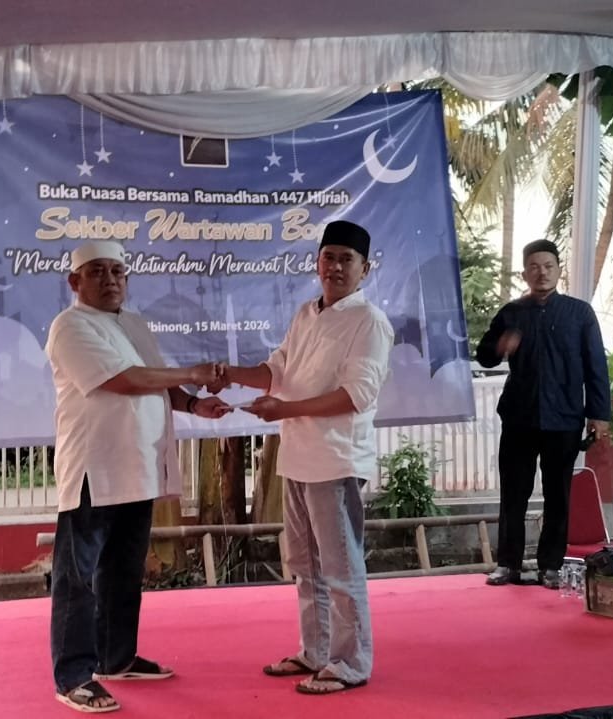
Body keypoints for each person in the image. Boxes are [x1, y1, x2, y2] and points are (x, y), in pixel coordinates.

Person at [44, 239, 233, 713]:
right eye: (97, 272)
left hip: (137, 467)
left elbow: (157, 380)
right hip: (94, 469)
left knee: (124, 570)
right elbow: (125, 379)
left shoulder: (134, 324)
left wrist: (193, 403)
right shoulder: (69, 326)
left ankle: (116, 658)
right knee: (78, 578)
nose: (110, 280)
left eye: (117, 272)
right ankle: (73, 676)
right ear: (75, 281)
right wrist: (192, 371)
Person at [218, 220, 392, 695]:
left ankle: (351, 661)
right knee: (304, 563)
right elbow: (277, 370)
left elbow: (356, 395)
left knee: (340, 566)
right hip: (297, 457)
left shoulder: (369, 321)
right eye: (328, 257)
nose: (335, 267)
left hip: (335, 460)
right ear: (317, 263)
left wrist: (284, 410)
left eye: (346, 260)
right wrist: (228, 374)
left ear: (364, 270)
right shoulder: (306, 313)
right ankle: (315, 651)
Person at [476, 239, 611, 588]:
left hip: (564, 418)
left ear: (558, 270)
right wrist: (500, 345)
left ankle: (550, 566)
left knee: (558, 495)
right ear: (525, 273)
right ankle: (507, 564)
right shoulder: (511, 313)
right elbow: (485, 356)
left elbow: (596, 366)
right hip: (519, 417)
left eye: (548, 266)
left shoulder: (580, 314)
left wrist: (599, 414)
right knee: (513, 493)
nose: (542, 273)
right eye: (534, 267)